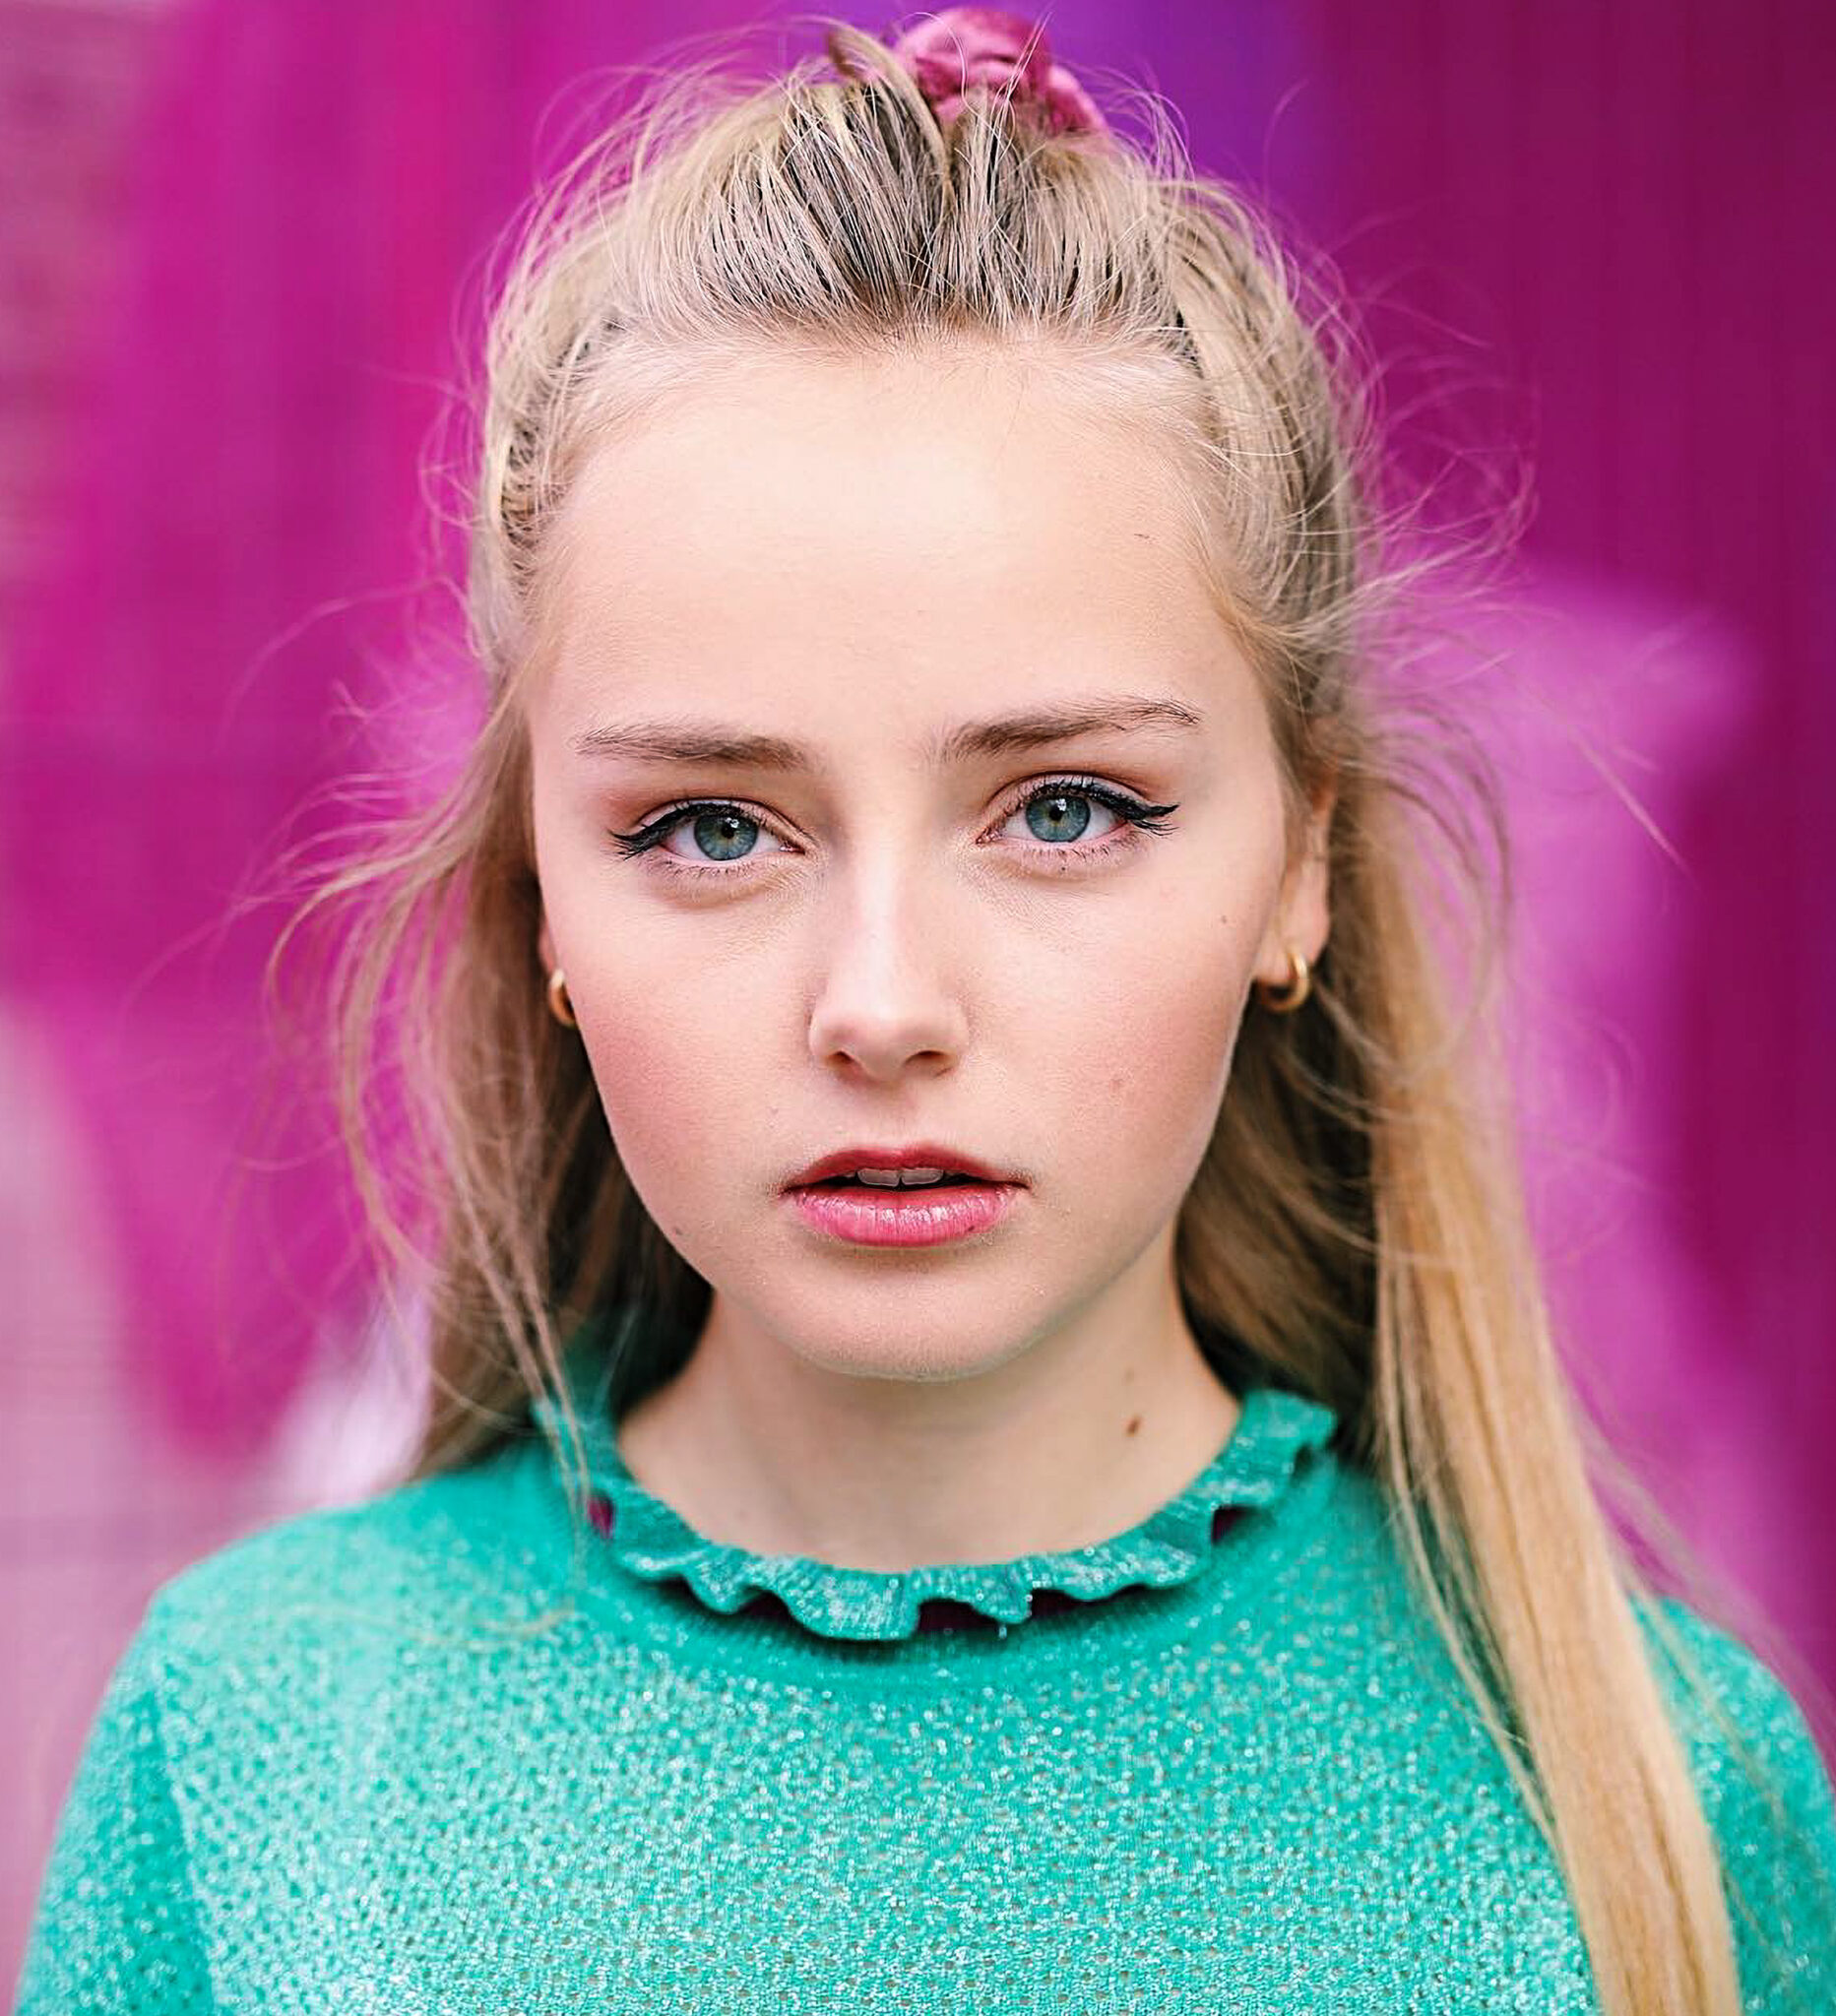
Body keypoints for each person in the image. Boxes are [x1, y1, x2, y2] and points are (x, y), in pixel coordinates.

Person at [16, 11, 1835, 2013]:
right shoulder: (262, 1750)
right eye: (714, 827)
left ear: (1301, 861)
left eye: (1065, 809)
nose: (881, 1003)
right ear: (538, 894)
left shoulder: (1653, 1802)